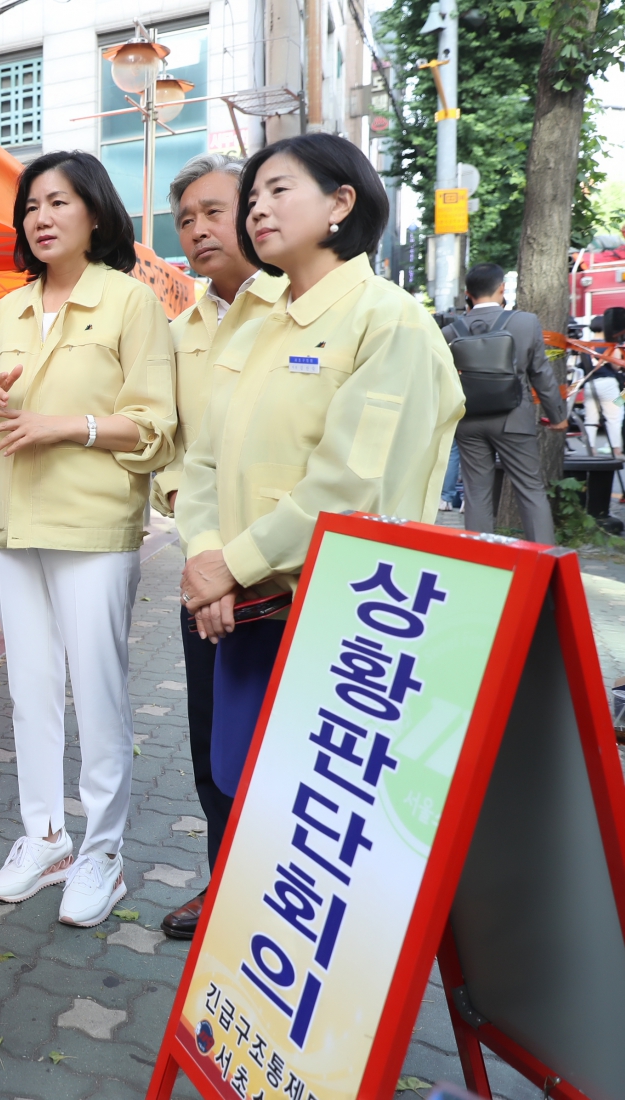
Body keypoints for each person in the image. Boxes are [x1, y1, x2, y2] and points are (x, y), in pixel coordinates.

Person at [177, 133, 463, 839]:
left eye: (278, 191)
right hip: (243, 611)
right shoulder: (257, 323)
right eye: (253, 198)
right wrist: (208, 561)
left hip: (339, 622)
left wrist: (225, 566)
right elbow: (204, 461)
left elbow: (348, 488)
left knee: (312, 823)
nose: (255, 211)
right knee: (237, 788)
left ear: (341, 202)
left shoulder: (387, 320)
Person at [0, 151, 176, 929]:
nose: (41, 218)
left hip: (92, 523)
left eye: (57, 202)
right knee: (28, 691)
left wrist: (68, 425)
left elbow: (156, 425)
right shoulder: (8, 311)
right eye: (30, 207)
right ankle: (43, 836)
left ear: (94, 211)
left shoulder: (128, 302)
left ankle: (104, 850)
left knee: (97, 689)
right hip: (16, 520)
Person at [153, 153, 287, 941]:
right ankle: (223, 889)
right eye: (186, 219)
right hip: (206, 580)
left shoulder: (298, 311)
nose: (199, 230)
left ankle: (285, 909)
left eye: (214, 211)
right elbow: (178, 454)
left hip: (293, 577)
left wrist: (232, 564)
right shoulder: (182, 332)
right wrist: (206, 562)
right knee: (215, 747)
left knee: (291, 752)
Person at [450, 262, 566, 544]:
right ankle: (544, 564)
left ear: (468, 293)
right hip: (514, 418)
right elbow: (540, 372)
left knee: (476, 493)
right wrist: (557, 415)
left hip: (468, 422)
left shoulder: (450, 332)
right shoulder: (525, 323)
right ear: (502, 288)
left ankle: (480, 565)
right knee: (530, 490)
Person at [584, 306, 624, 459]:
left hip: (589, 383)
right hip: (608, 383)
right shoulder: (610, 345)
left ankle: (591, 449)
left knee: (590, 418)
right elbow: (616, 365)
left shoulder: (584, 345)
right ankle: (616, 450)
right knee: (614, 417)